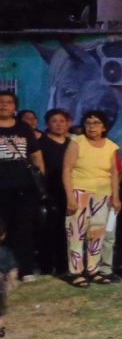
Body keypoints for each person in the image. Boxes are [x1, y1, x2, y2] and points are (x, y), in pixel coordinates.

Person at [61, 110, 120, 285]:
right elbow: (67, 170)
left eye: (96, 123)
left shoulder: (111, 146)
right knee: (76, 233)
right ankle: (76, 271)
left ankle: (93, 269)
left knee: (97, 233)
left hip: (103, 195)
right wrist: (70, 197)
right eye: (88, 123)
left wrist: (115, 197)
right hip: (80, 192)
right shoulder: (76, 142)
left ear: (103, 127)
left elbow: (114, 173)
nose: (92, 127)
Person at [0, 90, 44, 281]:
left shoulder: (24, 128)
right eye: (0, 102)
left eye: (8, 102)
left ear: (14, 107)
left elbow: (35, 154)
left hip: (23, 187)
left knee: (23, 229)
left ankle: (25, 269)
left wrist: (41, 175)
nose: (3, 105)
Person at [37, 108, 72, 278]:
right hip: (48, 192)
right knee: (47, 229)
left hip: (68, 192)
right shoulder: (41, 143)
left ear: (68, 123)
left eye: (62, 121)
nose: (58, 124)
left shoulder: (73, 144)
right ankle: (46, 266)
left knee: (65, 230)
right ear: (47, 124)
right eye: (54, 121)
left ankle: (63, 266)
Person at [0, 221, 16, 337]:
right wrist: (11, 281)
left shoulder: (5, 252)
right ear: (3, 235)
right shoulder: (5, 252)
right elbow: (12, 269)